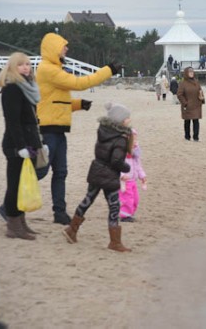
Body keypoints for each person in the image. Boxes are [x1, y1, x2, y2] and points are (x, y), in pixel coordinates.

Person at [33, 32, 118, 225]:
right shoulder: (48, 70)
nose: (67, 49)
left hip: (58, 130)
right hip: (48, 130)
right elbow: (80, 83)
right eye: (64, 46)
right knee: (39, 171)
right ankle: (11, 207)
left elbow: (56, 101)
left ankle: (59, 213)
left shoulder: (53, 69)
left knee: (61, 172)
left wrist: (79, 105)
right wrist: (108, 70)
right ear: (54, 48)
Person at [62, 102, 133, 252]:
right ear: (120, 120)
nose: (129, 119)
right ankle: (115, 242)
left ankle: (71, 229)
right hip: (109, 176)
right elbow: (116, 161)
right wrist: (127, 167)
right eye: (127, 118)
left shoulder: (103, 131)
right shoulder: (120, 138)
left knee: (88, 200)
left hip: (96, 170)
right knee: (114, 206)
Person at [0, 52, 46, 240]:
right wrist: (20, 147)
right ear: (12, 68)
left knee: (24, 184)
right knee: (15, 185)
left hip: (30, 141)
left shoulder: (28, 87)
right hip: (16, 144)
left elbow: (31, 120)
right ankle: (13, 225)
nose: (26, 67)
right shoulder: (12, 89)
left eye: (27, 64)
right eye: (21, 65)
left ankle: (21, 222)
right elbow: (13, 122)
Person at [119, 128, 147, 222]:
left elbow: (138, 165)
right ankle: (125, 216)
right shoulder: (121, 153)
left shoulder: (134, 154)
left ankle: (130, 213)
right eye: (132, 140)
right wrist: (122, 175)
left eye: (136, 140)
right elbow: (116, 165)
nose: (135, 142)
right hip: (125, 181)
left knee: (135, 199)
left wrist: (142, 176)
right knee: (127, 199)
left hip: (133, 180)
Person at [176, 67, 204, 141]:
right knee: (187, 121)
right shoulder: (183, 83)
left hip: (196, 105)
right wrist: (185, 103)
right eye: (190, 72)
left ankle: (196, 137)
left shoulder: (196, 82)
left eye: (192, 72)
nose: (191, 73)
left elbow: (200, 91)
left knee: (196, 121)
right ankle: (187, 136)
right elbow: (179, 94)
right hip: (187, 106)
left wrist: (202, 98)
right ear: (186, 73)